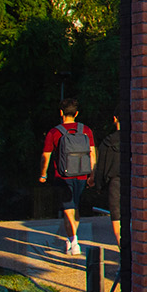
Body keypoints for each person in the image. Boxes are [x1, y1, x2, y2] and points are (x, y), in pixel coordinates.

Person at [39, 98, 97, 255]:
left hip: (63, 176)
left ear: (61, 112)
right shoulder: (86, 130)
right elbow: (92, 154)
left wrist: (43, 174)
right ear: (76, 113)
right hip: (82, 174)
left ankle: (73, 241)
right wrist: (92, 175)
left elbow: (46, 155)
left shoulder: (54, 132)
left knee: (68, 208)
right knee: (74, 207)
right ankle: (72, 239)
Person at [91, 115, 123, 245]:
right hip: (134, 182)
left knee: (116, 215)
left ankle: (122, 248)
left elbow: (101, 166)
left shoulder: (107, 142)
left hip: (114, 183)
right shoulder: (137, 138)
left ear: (114, 118)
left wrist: (98, 185)